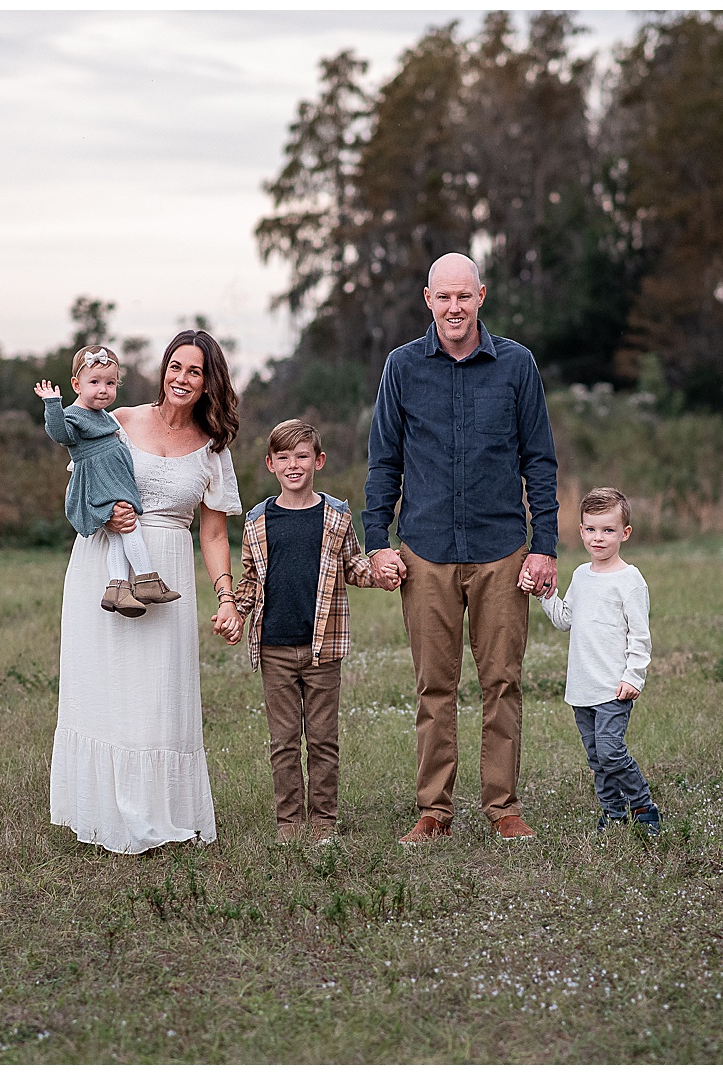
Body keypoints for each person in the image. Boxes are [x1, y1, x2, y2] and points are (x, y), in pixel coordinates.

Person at [363, 252, 560, 844]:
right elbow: (384, 463)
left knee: (502, 681)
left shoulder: (517, 365)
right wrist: (378, 542)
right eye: (443, 297)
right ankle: (434, 812)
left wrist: (543, 546)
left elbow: (540, 461)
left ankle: (503, 808)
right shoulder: (401, 368)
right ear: (428, 299)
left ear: (481, 297)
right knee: (434, 687)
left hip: (502, 549)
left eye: (464, 296)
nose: (454, 307)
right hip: (424, 551)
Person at [49, 329, 245, 855]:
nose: (182, 378)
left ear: (209, 383)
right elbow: (78, 485)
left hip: (168, 570)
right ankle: (103, 812)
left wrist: (227, 597)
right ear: (163, 370)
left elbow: (213, 532)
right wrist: (104, 512)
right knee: (105, 686)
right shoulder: (120, 420)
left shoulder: (211, 447)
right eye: (175, 367)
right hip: (103, 563)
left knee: (158, 694)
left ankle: (158, 811)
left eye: (195, 371)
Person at [233, 419, 399, 845]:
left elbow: (354, 567)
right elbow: (251, 579)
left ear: (318, 461)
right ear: (270, 464)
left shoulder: (336, 517)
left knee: (323, 740)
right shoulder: (257, 521)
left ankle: (324, 822)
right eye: (284, 457)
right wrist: (235, 610)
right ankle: (289, 824)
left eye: (302, 456)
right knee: (283, 741)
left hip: (323, 648)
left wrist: (381, 573)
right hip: (274, 648)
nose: (294, 465)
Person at [537, 487, 660, 835]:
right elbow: (564, 620)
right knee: (596, 758)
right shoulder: (580, 575)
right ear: (581, 531)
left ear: (625, 533)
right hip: (582, 687)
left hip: (613, 687)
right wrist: (546, 594)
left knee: (610, 751)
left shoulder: (630, 581)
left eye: (608, 530)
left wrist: (634, 677)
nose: (598, 538)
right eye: (591, 529)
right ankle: (613, 813)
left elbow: (640, 635)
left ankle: (642, 806)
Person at [33, 345, 179, 617]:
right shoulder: (72, 415)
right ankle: (147, 580)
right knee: (128, 527)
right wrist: (52, 404)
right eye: (95, 382)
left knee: (116, 536)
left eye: (110, 383)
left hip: (112, 479)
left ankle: (118, 590)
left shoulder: (100, 415)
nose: (103, 389)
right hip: (101, 482)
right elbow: (59, 434)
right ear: (76, 384)